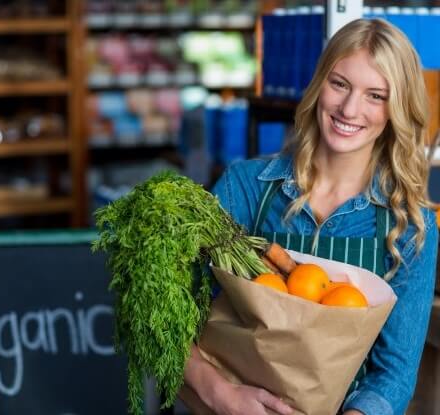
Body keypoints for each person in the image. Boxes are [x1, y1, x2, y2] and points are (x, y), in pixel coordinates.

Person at [183, 18, 439, 415]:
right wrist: (222, 394)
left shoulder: (409, 225)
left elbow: (394, 372)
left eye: (375, 95)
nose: (350, 109)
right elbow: (167, 314)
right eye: (340, 84)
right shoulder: (248, 189)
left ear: (397, 109)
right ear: (319, 84)